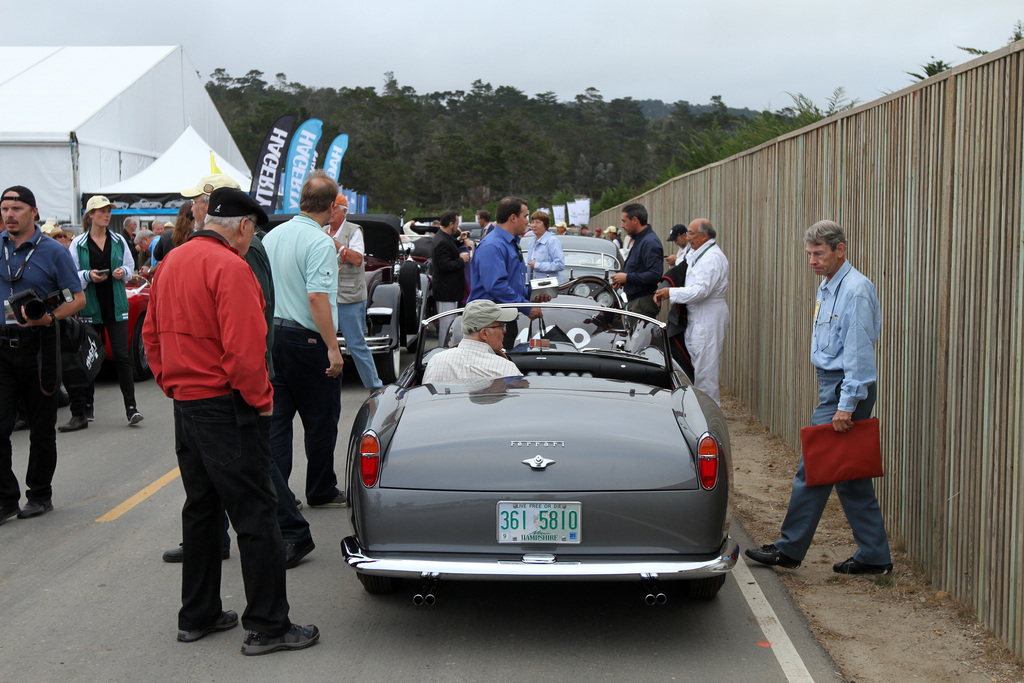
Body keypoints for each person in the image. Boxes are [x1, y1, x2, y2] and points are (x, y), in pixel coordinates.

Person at [142, 187, 320, 655]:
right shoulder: (231, 267)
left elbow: (151, 335)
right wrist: (261, 402)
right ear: (242, 226)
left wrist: (171, 383)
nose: (250, 239)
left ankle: (197, 615)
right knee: (255, 513)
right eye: (252, 231)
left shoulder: (171, 262)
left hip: (187, 402)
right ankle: (268, 625)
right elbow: (245, 352)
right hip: (225, 403)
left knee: (201, 509)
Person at [745, 220, 892, 576]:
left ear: (840, 249)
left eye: (819, 253)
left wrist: (845, 405)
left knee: (812, 467)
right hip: (834, 384)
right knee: (849, 475)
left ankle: (789, 549)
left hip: (846, 388)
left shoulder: (855, 290)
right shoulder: (828, 285)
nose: (812, 260)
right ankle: (874, 555)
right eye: (809, 254)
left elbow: (859, 353)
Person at [0, 186, 86, 523]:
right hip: (2, 347)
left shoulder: (53, 251)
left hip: (40, 345)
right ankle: (6, 499)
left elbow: (76, 299)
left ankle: (39, 493)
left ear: (33, 212)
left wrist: (49, 317)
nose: (9, 214)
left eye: (17, 208)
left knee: (41, 427)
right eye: (5, 208)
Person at [262, 170, 346, 509]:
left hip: (274, 335)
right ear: (329, 206)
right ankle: (321, 488)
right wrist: (333, 347)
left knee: (278, 422)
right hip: (306, 339)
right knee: (321, 419)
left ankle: (279, 495)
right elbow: (317, 298)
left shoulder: (272, 237)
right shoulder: (320, 241)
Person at [64, 195, 142, 431]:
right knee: (90, 358)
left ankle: (132, 408)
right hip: (89, 306)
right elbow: (71, 275)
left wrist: (122, 272)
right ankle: (88, 406)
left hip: (115, 305)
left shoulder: (118, 240)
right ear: (90, 215)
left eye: (108, 211)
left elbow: (131, 269)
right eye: (101, 211)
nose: (106, 215)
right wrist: (88, 275)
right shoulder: (77, 243)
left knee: (121, 356)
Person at [653, 218, 729, 405]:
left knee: (706, 371)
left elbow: (701, 291)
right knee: (697, 364)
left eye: (691, 233)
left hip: (708, 316)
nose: (687, 238)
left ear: (704, 236)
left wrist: (671, 292)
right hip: (697, 316)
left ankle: (708, 415)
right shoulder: (698, 254)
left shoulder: (712, 258)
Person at [468, 196, 545, 350]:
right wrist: (526, 307)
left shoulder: (508, 244)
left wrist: (534, 293)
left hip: (501, 320)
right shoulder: (493, 246)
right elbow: (496, 286)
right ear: (513, 217)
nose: (527, 222)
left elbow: (510, 283)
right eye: (525, 216)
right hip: (488, 324)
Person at [326, 193, 382, 391]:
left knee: (356, 344)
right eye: (328, 209)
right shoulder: (322, 230)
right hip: (326, 295)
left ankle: (375, 386)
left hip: (349, 296)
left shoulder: (354, 231)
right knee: (323, 342)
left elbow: (358, 259)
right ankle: (325, 384)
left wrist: (335, 244)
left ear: (343, 211)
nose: (330, 213)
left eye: (334, 209)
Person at [422, 299, 521, 383]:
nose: (505, 330)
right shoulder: (506, 369)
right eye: (501, 325)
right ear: (484, 334)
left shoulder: (436, 362)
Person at [610, 202, 663, 317]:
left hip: (642, 303)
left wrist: (627, 277)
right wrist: (623, 280)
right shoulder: (641, 239)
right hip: (636, 302)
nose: (622, 226)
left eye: (624, 221)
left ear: (634, 220)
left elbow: (655, 274)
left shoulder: (649, 242)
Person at [431, 210, 471, 345]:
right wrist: (461, 260)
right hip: (446, 291)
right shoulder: (441, 241)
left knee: (451, 325)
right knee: (446, 326)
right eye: (457, 224)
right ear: (450, 224)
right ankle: (443, 351)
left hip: (450, 291)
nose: (458, 227)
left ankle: (447, 349)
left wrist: (459, 240)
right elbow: (444, 265)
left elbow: (450, 247)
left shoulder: (444, 237)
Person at [524, 210, 565, 283]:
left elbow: (559, 265)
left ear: (545, 225)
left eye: (538, 222)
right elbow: (530, 266)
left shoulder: (552, 241)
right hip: (534, 285)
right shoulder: (531, 242)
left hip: (549, 286)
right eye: (533, 222)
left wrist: (537, 266)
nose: (534, 225)